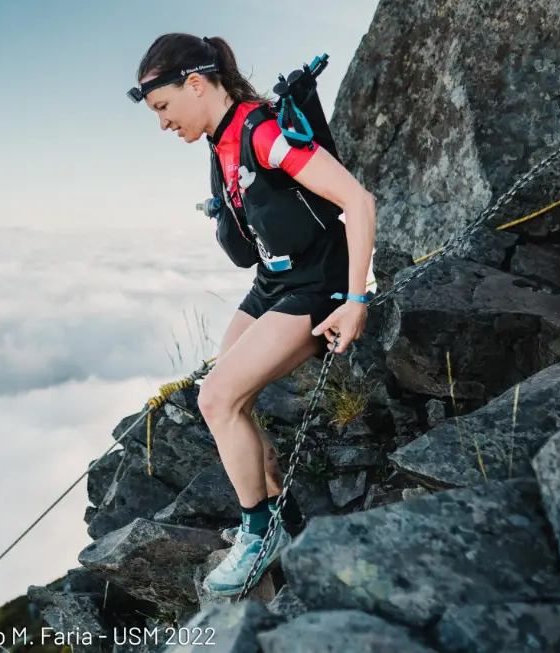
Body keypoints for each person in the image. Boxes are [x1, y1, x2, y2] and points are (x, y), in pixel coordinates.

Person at [128, 33, 376, 596]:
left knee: (218, 397)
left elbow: (357, 202)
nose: (163, 124)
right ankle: (276, 518)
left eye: (164, 107)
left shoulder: (262, 132)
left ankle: (258, 535)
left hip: (317, 285)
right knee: (222, 392)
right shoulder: (222, 141)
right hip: (273, 282)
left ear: (195, 84)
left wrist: (356, 300)